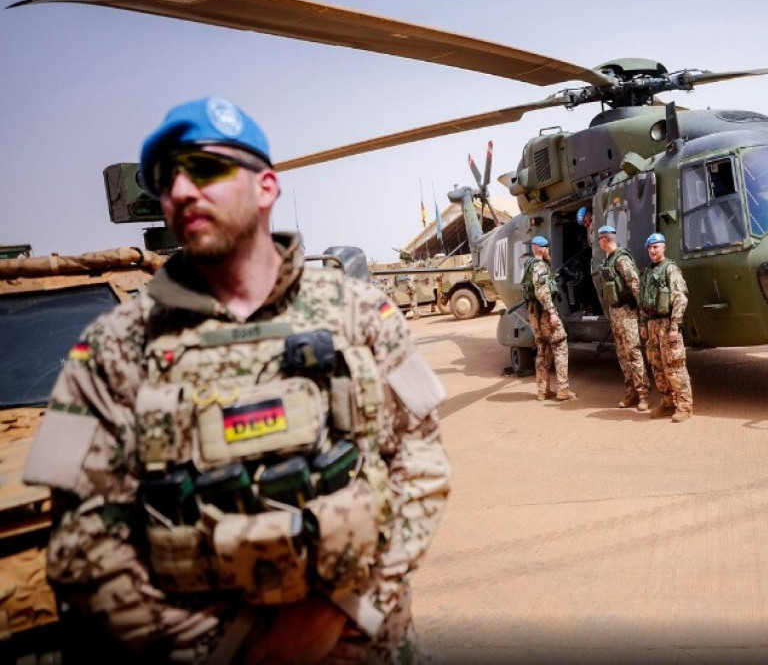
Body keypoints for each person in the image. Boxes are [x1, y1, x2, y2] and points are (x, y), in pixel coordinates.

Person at [21, 96, 451, 664]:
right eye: (165, 179)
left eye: (204, 169)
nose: (180, 190)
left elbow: (422, 464)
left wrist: (347, 611)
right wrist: (231, 650)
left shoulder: (362, 313)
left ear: (266, 187)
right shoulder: (112, 346)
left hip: (366, 644)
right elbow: (81, 540)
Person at [639, 232, 694, 422]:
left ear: (663, 247)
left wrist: (675, 326)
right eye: (650, 247)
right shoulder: (647, 273)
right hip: (652, 324)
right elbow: (643, 301)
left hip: (668, 323)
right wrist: (643, 323)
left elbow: (680, 298)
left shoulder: (670, 269)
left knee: (674, 366)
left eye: (656, 246)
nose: (652, 251)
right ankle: (667, 404)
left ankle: (685, 406)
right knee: (657, 366)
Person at [594, 226, 650, 411]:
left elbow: (636, 285)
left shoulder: (621, 259)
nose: (599, 243)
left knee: (633, 353)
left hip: (628, 313)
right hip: (616, 314)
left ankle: (643, 394)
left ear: (604, 240)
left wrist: (642, 315)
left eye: (599, 239)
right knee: (622, 355)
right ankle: (631, 392)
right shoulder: (609, 259)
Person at [521, 235, 576, 402]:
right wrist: (552, 312)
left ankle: (543, 390)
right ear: (539, 248)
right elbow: (542, 291)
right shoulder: (539, 265)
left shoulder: (528, 265)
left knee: (542, 348)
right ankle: (563, 389)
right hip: (544, 312)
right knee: (560, 344)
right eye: (545, 247)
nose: (547, 250)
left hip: (534, 312)